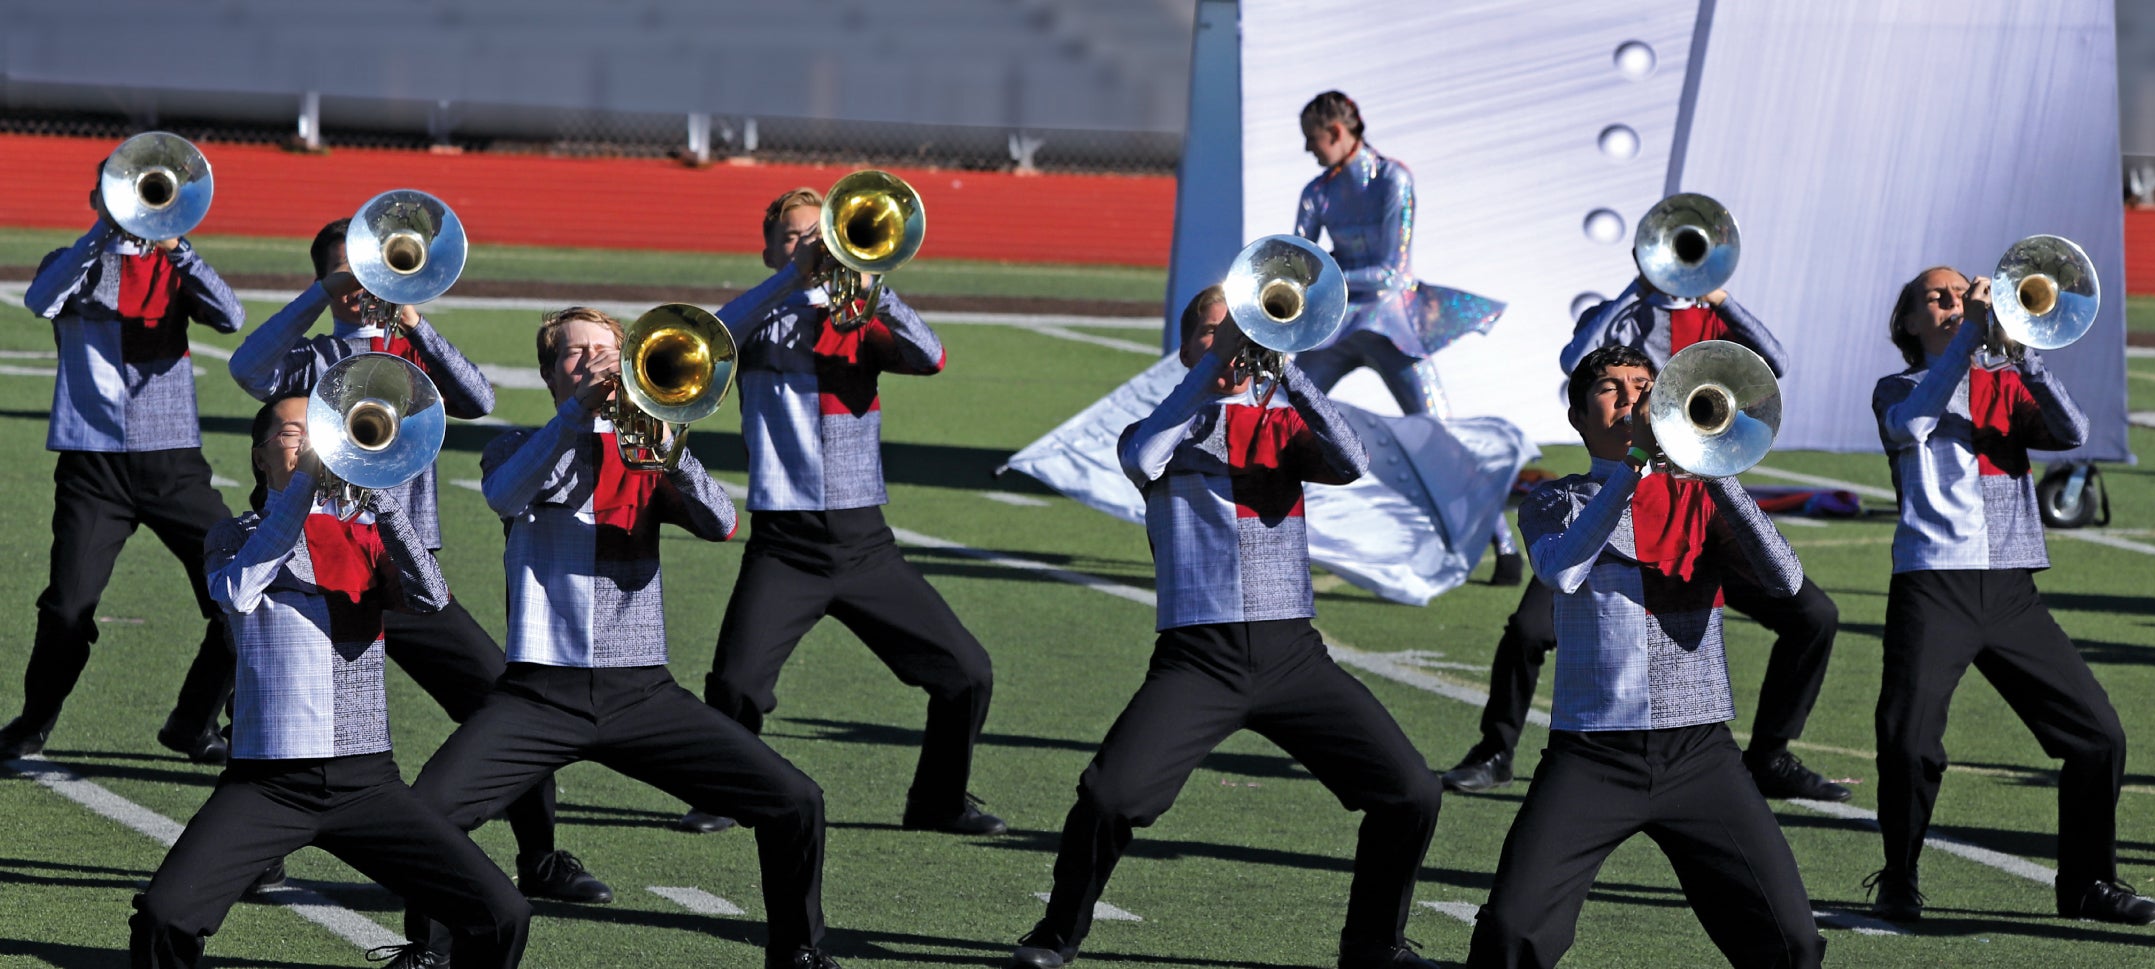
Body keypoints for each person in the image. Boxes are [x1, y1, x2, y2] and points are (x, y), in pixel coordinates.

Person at [1006, 288, 1441, 969]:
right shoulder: (1157, 424)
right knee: (1109, 794)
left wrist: (1289, 368)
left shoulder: (1284, 425)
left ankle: (1373, 943)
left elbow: (1354, 461)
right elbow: (1142, 459)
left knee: (1411, 790)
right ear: (1186, 347)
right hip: (1198, 659)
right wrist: (1207, 377)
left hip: (1291, 652)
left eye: (1244, 331)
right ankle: (1058, 932)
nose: (1234, 344)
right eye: (1217, 331)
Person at [406, 308, 841, 969]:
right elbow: (506, 492)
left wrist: (673, 447)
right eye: (577, 355)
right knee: (429, 810)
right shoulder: (521, 446)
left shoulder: (648, 451)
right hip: (539, 693)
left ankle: (798, 951)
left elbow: (721, 521)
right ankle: (430, 956)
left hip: (641, 692)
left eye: (608, 351)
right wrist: (577, 416)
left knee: (795, 800)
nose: (596, 364)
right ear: (551, 374)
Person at [223, 218, 607, 904]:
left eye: (375, 270)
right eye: (349, 272)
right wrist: (321, 295)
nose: (363, 283)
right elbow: (248, 368)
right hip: (305, 570)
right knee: (267, 707)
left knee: (504, 701)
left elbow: (480, 399)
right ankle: (253, 851)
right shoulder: (312, 360)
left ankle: (540, 856)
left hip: (401, 570)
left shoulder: (411, 359)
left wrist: (413, 323)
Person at [1433, 237, 1843, 804]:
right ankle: (1496, 750)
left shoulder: (1714, 321)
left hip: (1690, 506)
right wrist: (1637, 289)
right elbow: (1575, 359)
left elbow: (1773, 363)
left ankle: (1770, 752)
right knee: (1530, 627)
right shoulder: (1626, 319)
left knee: (1814, 613)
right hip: (1611, 498)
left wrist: (1720, 298)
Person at [134, 394, 528, 969]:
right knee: (164, 917)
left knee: (502, 914)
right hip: (267, 783)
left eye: (323, 430)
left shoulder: (366, 534)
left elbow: (431, 597)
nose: (314, 442)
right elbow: (240, 592)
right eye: (296, 433)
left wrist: (386, 503)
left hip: (366, 781)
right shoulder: (233, 534)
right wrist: (303, 490)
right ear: (260, 458)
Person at [1463, 344, 1823, 969]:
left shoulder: (1704, 496)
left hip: (1701, 754)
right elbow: (1564, 570)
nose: (1632, 398)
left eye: (1643, 385)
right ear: (1578, 417)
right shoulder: (1558, 500)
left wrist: (1715, 466)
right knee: (1513, 934)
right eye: (1611, 388)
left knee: (1790, 942)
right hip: (1593, 754)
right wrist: (1633, 466)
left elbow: (1787, 581)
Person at [678, 187, 1002, 837]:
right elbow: (706, 340)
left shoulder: (858, 313)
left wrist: (872, 284)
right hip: (785, 541)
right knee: (737, 684)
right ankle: (721, 793)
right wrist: (794, 279)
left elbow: (931, 355)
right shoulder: (758, 313)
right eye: (793, 237)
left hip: (863, 541)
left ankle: (937, 799)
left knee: (967, 673)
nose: (808, 246)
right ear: (768, 248)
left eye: (816, 234)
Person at [1863, 266, 2155, 924]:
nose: (1953, 302)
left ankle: (2087, 883)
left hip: (2009, 585)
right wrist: (1971, 335)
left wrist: (2022, 351)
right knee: (1909, 741)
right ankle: (1900, 876)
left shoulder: (2005, 383)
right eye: (1936, 298)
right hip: (1934, 582)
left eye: (1960, 294)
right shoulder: (1899, 386)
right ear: (1909, 323)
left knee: (2097, 737)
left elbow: (2073, 431)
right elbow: (1912, 425)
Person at [0, 161, 247, 764]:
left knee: (239, 591)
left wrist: (177, 245)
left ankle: (194, 722)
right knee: (66, 604)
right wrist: (100, 235)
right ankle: (33, 722)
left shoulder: (175, 264)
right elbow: (41, 298)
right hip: (93, 465)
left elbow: (231, 316)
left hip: (172, 462)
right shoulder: (75, 260)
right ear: (98, 197)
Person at [1287, 90, 1520, 582]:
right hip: (1339, 327)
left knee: (1439, 432)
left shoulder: (1394, 179)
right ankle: (1267, 531)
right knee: (1286, 418)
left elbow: (1393, 272)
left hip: (1391, 326)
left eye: (1313, 139)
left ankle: (1502, 544)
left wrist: (1329, 278)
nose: (1309, 150)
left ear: (1336, 133)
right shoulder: (1317, 191)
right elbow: (1299, 259)